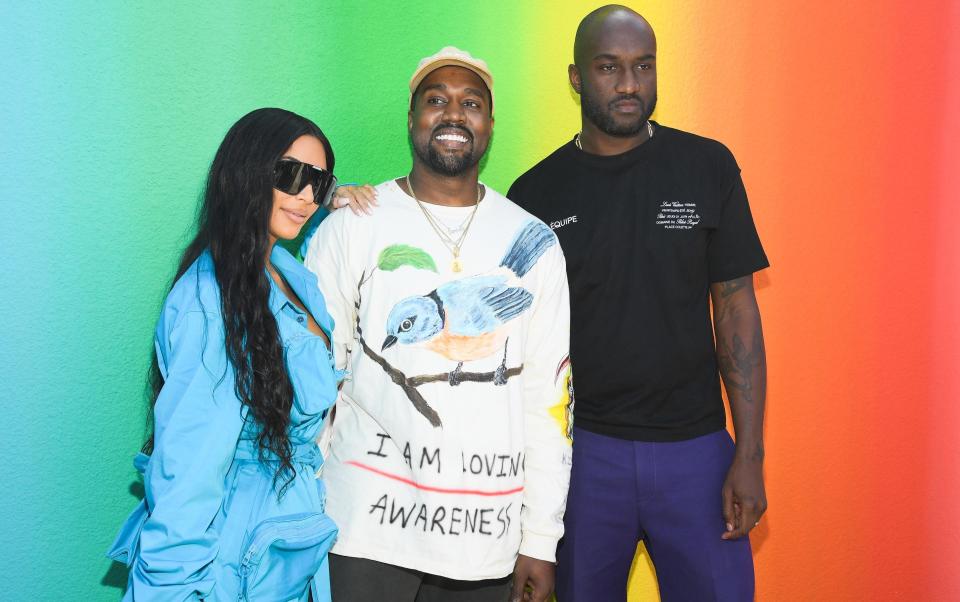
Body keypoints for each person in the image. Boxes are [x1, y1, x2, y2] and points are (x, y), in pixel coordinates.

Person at [506, 6, 769, 601]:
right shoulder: (534, 194)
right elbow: (517, 345)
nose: (629, 84)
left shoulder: (707, 166)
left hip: (697, 452)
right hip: (584, 457)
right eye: (609, 67)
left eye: (643, 66)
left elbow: (736, 312)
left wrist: (748, 453)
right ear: (576, 77)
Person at [304, 47, 572, 602]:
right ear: (412, 119)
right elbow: (313, 378)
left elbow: (548, 398)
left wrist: (541, 540)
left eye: (470, 103)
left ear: (490, 125)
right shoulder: (352, 226)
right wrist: (308, 501)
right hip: (364, 530)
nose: (453, 114)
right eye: (436, 100)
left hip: (485, 541)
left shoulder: (537, 241)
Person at [106, 108, 344, 601]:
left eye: (318, 183)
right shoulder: (209, 302)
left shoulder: (283, 268)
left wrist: (346, 197)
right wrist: (170, 588)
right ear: (247, 172)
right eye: (291, 174)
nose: (305, 196)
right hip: (228, 562)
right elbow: (188, 473)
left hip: (281, 549)